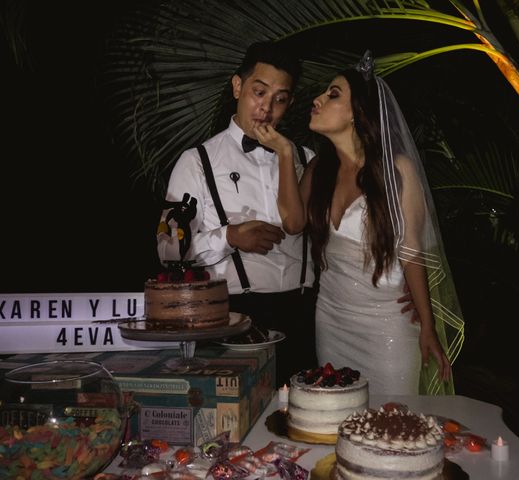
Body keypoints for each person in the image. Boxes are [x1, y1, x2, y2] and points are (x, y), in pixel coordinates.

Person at [275, 51, 465, 395]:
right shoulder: (319, 169)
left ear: (356, 113)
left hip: (388, 322)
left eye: (333, 94)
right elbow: (292, 223)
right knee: (342, 421)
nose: (317, 99)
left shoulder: (397, 171)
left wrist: (427, 324)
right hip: (331, 318)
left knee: (393, 425)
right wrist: (286, 154)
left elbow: (411, 252)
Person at [157, 41, 317, 387]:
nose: (267, 108)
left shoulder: (304, 158)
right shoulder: (197, 161)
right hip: (235, 318)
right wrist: (230, 237)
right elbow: (168, 246)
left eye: (280, 99)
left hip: (305, 315)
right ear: (237, 87)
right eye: (259, 92)